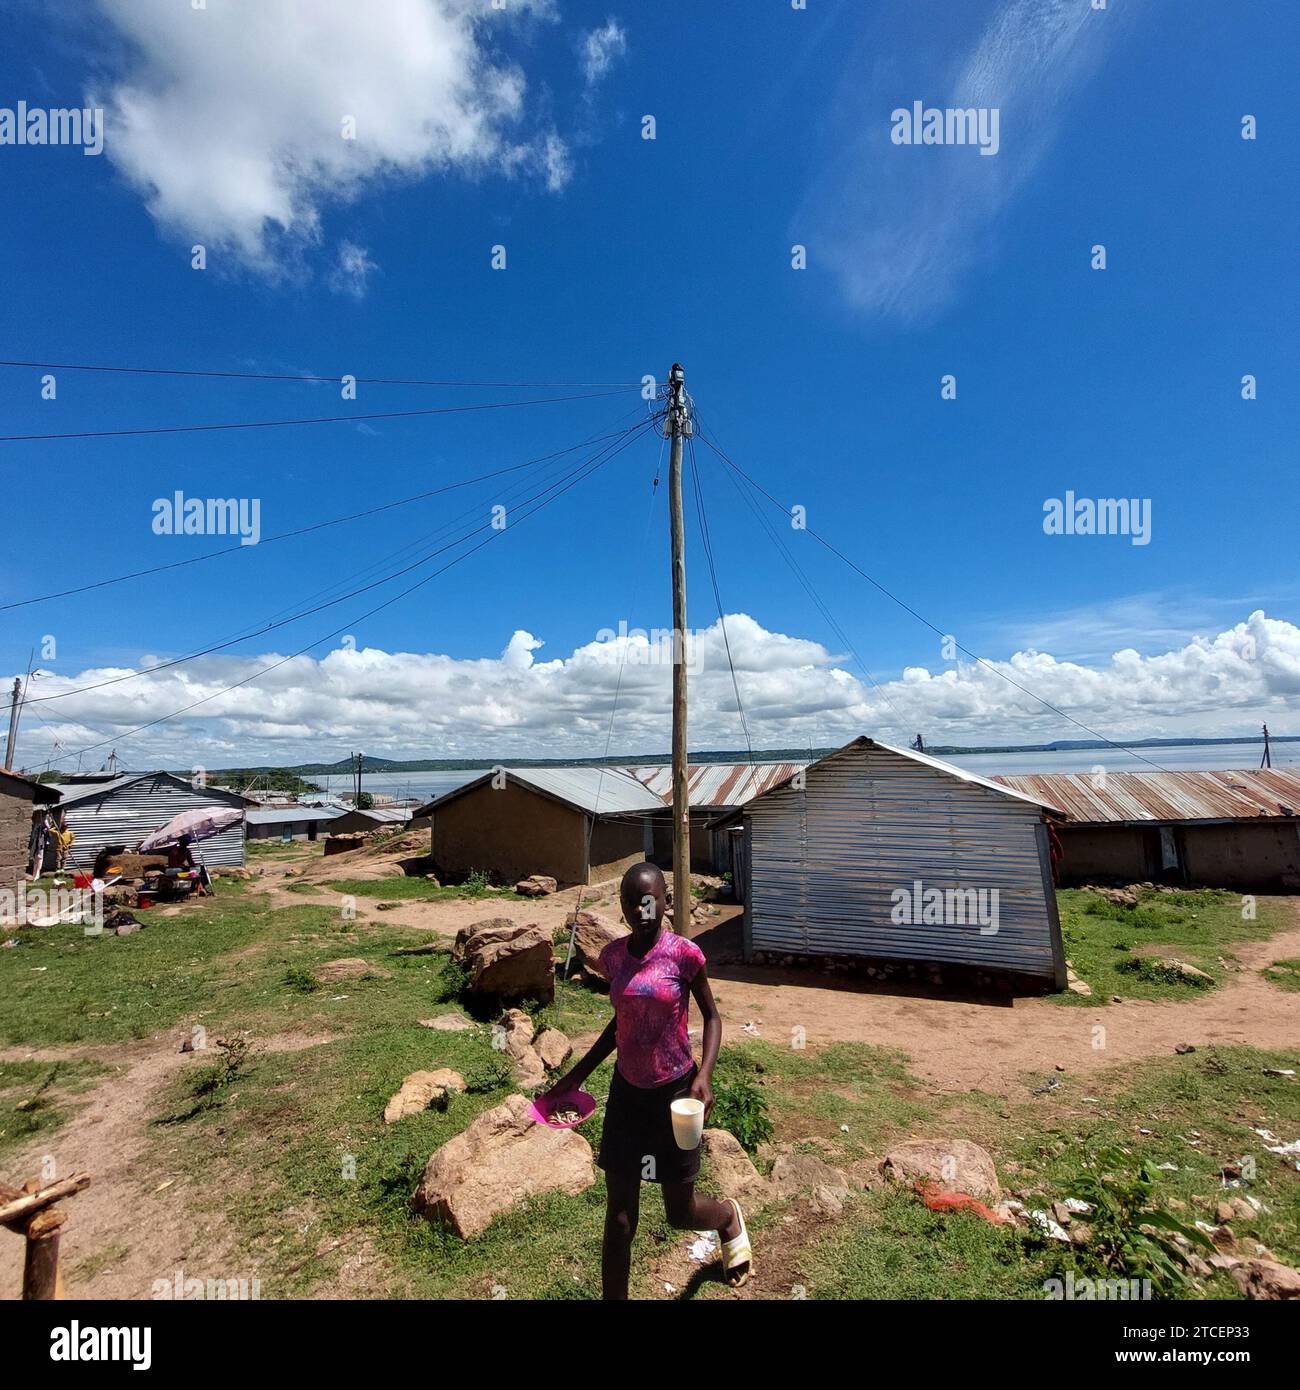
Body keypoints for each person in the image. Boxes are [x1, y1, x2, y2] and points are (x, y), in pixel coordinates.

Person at [542, 861, 751, 1299]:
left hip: (676, 1095)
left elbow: (712, 1017)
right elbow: (621, 1023)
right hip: (626, 1096)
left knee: (680, 1212)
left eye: (648, 900)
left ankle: (728, 1217)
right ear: (621, 908)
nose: (641, 910)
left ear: (665, 902)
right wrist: (576, 1077)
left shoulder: (684, 954)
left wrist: (705, 1077)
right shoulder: (613, 956)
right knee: (619, 1220)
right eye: (631, 902)